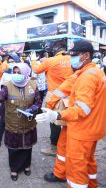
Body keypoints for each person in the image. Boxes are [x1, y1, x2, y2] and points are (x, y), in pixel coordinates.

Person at [36, 40, 106, 187]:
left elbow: (82, 109)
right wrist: (50, 104)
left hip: (82, 129)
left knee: (77, 166)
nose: (71, 58)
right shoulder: (89, 71)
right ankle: (64, 174)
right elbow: (66, 86)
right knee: (68, 148)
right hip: (86, 126)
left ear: (86, 55)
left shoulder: (87, 77)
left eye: (74, 55)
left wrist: (57, 115)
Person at [0, 63, 42, 181]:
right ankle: (14, 169)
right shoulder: (7, 86)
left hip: (28, 123)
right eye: (14, 72)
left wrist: (33, 108)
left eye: (19, 73)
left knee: (27, 147)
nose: (16, 75)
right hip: (13, 124)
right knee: (14, 148)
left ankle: (26, 166)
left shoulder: (33, 84)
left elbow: (38, 102)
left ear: (25, 73)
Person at [31, 40, 73, 157]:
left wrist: (33, 60)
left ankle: (54, 147)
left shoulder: (51, 61)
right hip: (70, 95)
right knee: (68, 120)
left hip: (54, 95)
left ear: (55, 50)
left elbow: (36, 70)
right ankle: (68, 145)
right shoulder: (73, 59)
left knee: (53, 121)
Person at [0, 53, 20, 152]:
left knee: (16, 122)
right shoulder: (6, 73)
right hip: (6, 101)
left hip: (19, 102)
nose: (12, 64)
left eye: (14, 62)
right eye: (10, 62)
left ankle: (15, 142)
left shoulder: (23, 73)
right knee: (3, 121)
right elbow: (0, 88)